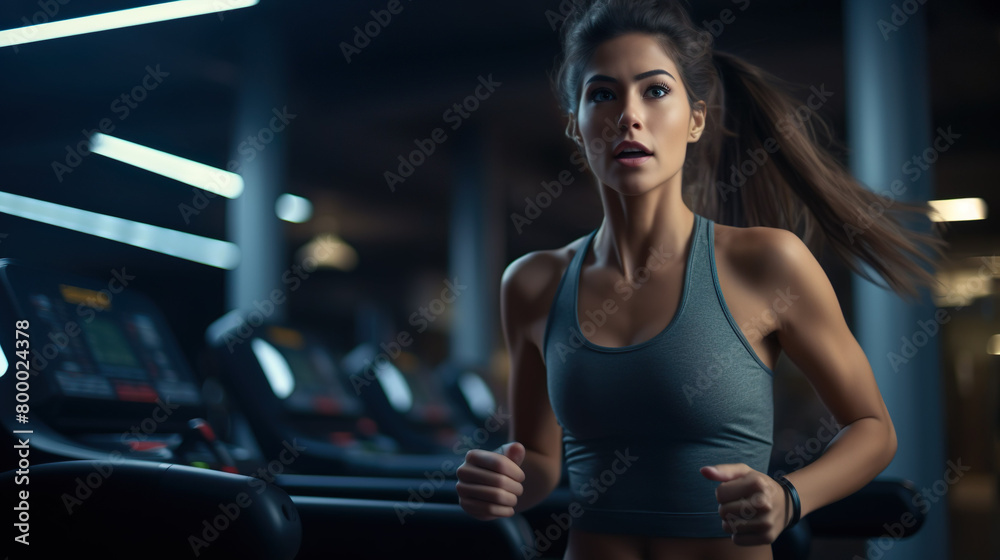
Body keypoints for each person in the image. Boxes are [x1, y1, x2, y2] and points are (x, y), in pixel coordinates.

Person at [456, 1, 946, 558]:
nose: (629, 116)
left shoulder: (766, 263)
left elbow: (873, 428)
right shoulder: (532, 283)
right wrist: (505, 484)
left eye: (655, 90)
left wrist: (789, 497)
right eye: (602, 94)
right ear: (576, 126)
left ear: (696, 119)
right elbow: (541, 462)